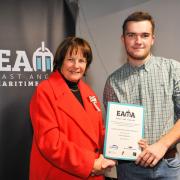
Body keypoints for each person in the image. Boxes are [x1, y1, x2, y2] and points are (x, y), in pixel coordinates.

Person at [103, 11, 180, 180]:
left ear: (153, 39)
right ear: (123, 39)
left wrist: (161, 145)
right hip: (130, 170)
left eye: (144, 35)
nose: (138, 41)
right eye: (131, 35)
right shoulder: (112, 82)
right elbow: (115, 130)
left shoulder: (174, 70)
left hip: (169, 166)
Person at [29, 37, 115, 180]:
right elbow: (51, 143)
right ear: (61, 60)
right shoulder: (45, 91)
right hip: (61, 174)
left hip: (92, 173)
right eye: (71, 59)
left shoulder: (89, 93)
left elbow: (99, 132)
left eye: (81, 61)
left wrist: (121, 145)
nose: (76, 65)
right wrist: (89, 164)